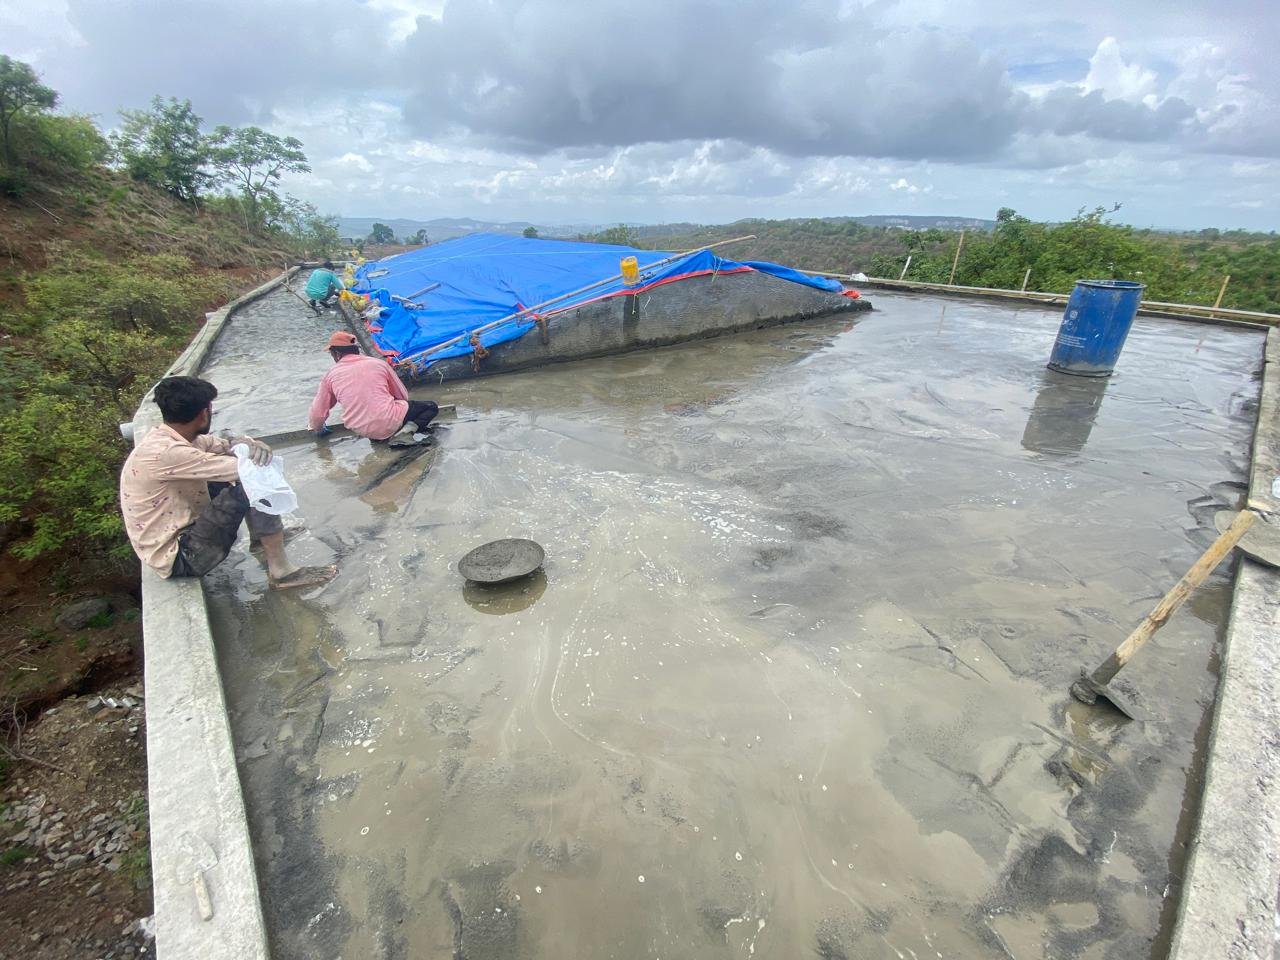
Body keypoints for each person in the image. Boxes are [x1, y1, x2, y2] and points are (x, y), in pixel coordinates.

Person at [120, 376, 336, 590]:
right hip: (182, 556)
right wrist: (257, 456)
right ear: (204, 413)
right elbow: (251, 470)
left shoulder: (176, 439)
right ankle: (282, 572)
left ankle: (260, 540)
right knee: (255, 480)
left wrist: (252, 444)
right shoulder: (168, 453)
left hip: (175, 540)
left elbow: (229, 446)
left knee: (238, 470)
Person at [308, 331, 438, 447]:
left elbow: (318, 413)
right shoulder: (378, 364)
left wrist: (318, 429)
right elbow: (402, 395)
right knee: (430, 407)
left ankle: (381, 434)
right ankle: (404, 433)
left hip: (360, 428)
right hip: (388, 420)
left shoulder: (330, 375)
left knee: (379, 417)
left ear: (336, 354)